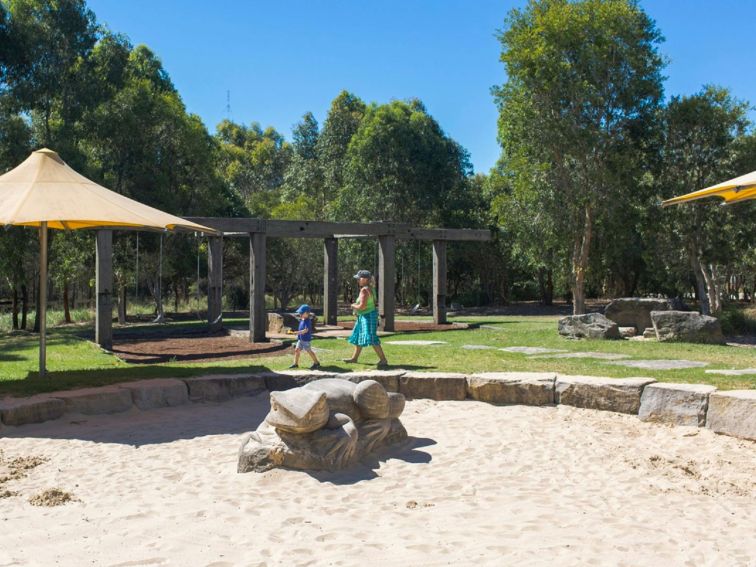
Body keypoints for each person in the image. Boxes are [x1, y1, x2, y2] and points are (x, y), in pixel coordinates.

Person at [343, 270, 389, 368]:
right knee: (358, 335)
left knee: (371, 337)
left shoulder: (364, 290)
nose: (357, 280)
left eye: (359, 278)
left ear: (365, 279)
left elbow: (362, 306)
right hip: (364, 316)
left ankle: (383, 360)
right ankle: (354, 358)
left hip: (367, 316)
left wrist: (353, 306)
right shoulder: (371, 288)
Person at [288, 304, 321, 370]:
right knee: (297, 350)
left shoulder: (307, 321)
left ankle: (316, 363)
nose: (300, 314)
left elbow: (305, 330)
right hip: (300, 339)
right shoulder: (302, 320)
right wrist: (297, 332)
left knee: (309, 351)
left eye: (301, 313)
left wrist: (297, 332)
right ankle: (295, 364)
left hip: (306, 340)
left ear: (306, 313)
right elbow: (301, 329)